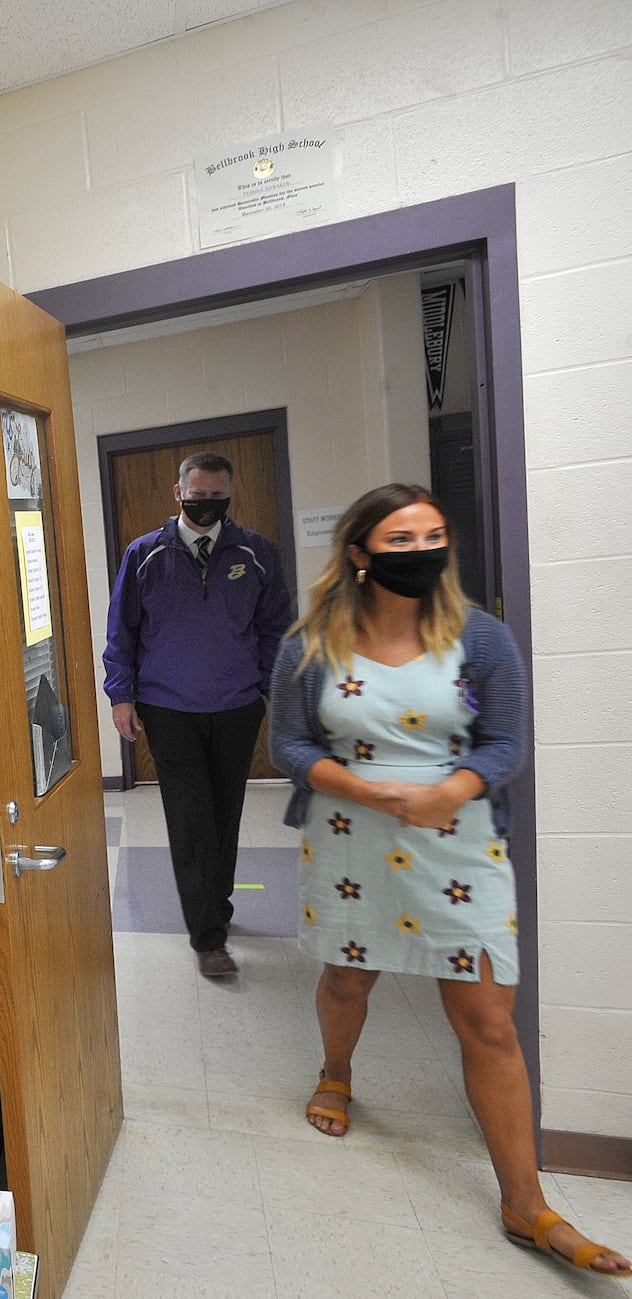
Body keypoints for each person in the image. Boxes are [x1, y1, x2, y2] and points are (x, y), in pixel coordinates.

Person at [269, 483, 629, 1278]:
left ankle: (525, 1201)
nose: (423, 551)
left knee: (487, 1018)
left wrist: (447, 792)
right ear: (359, 552)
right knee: (347, 977)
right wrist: (368, 790)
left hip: (457, 841)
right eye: (401, 539)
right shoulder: (310, 644)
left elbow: (504, 743)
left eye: (434, 535)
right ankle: (336, 1073)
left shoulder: (482, 636)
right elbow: (288, 745)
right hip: (348, 833)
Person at [103, 451, 290, 977]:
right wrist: (121, 695)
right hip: (169, 710)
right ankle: (208, 938)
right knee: (190, 818)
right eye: (197, 495)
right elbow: (122, 632)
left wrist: (275, 690)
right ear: (177, 493)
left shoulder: (256, 553)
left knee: (225, 814)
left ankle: (218, 908)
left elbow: (276, 627)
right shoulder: (145, 555)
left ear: (229, 494)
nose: (207, 505)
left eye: (216, 496)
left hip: (236, 707)